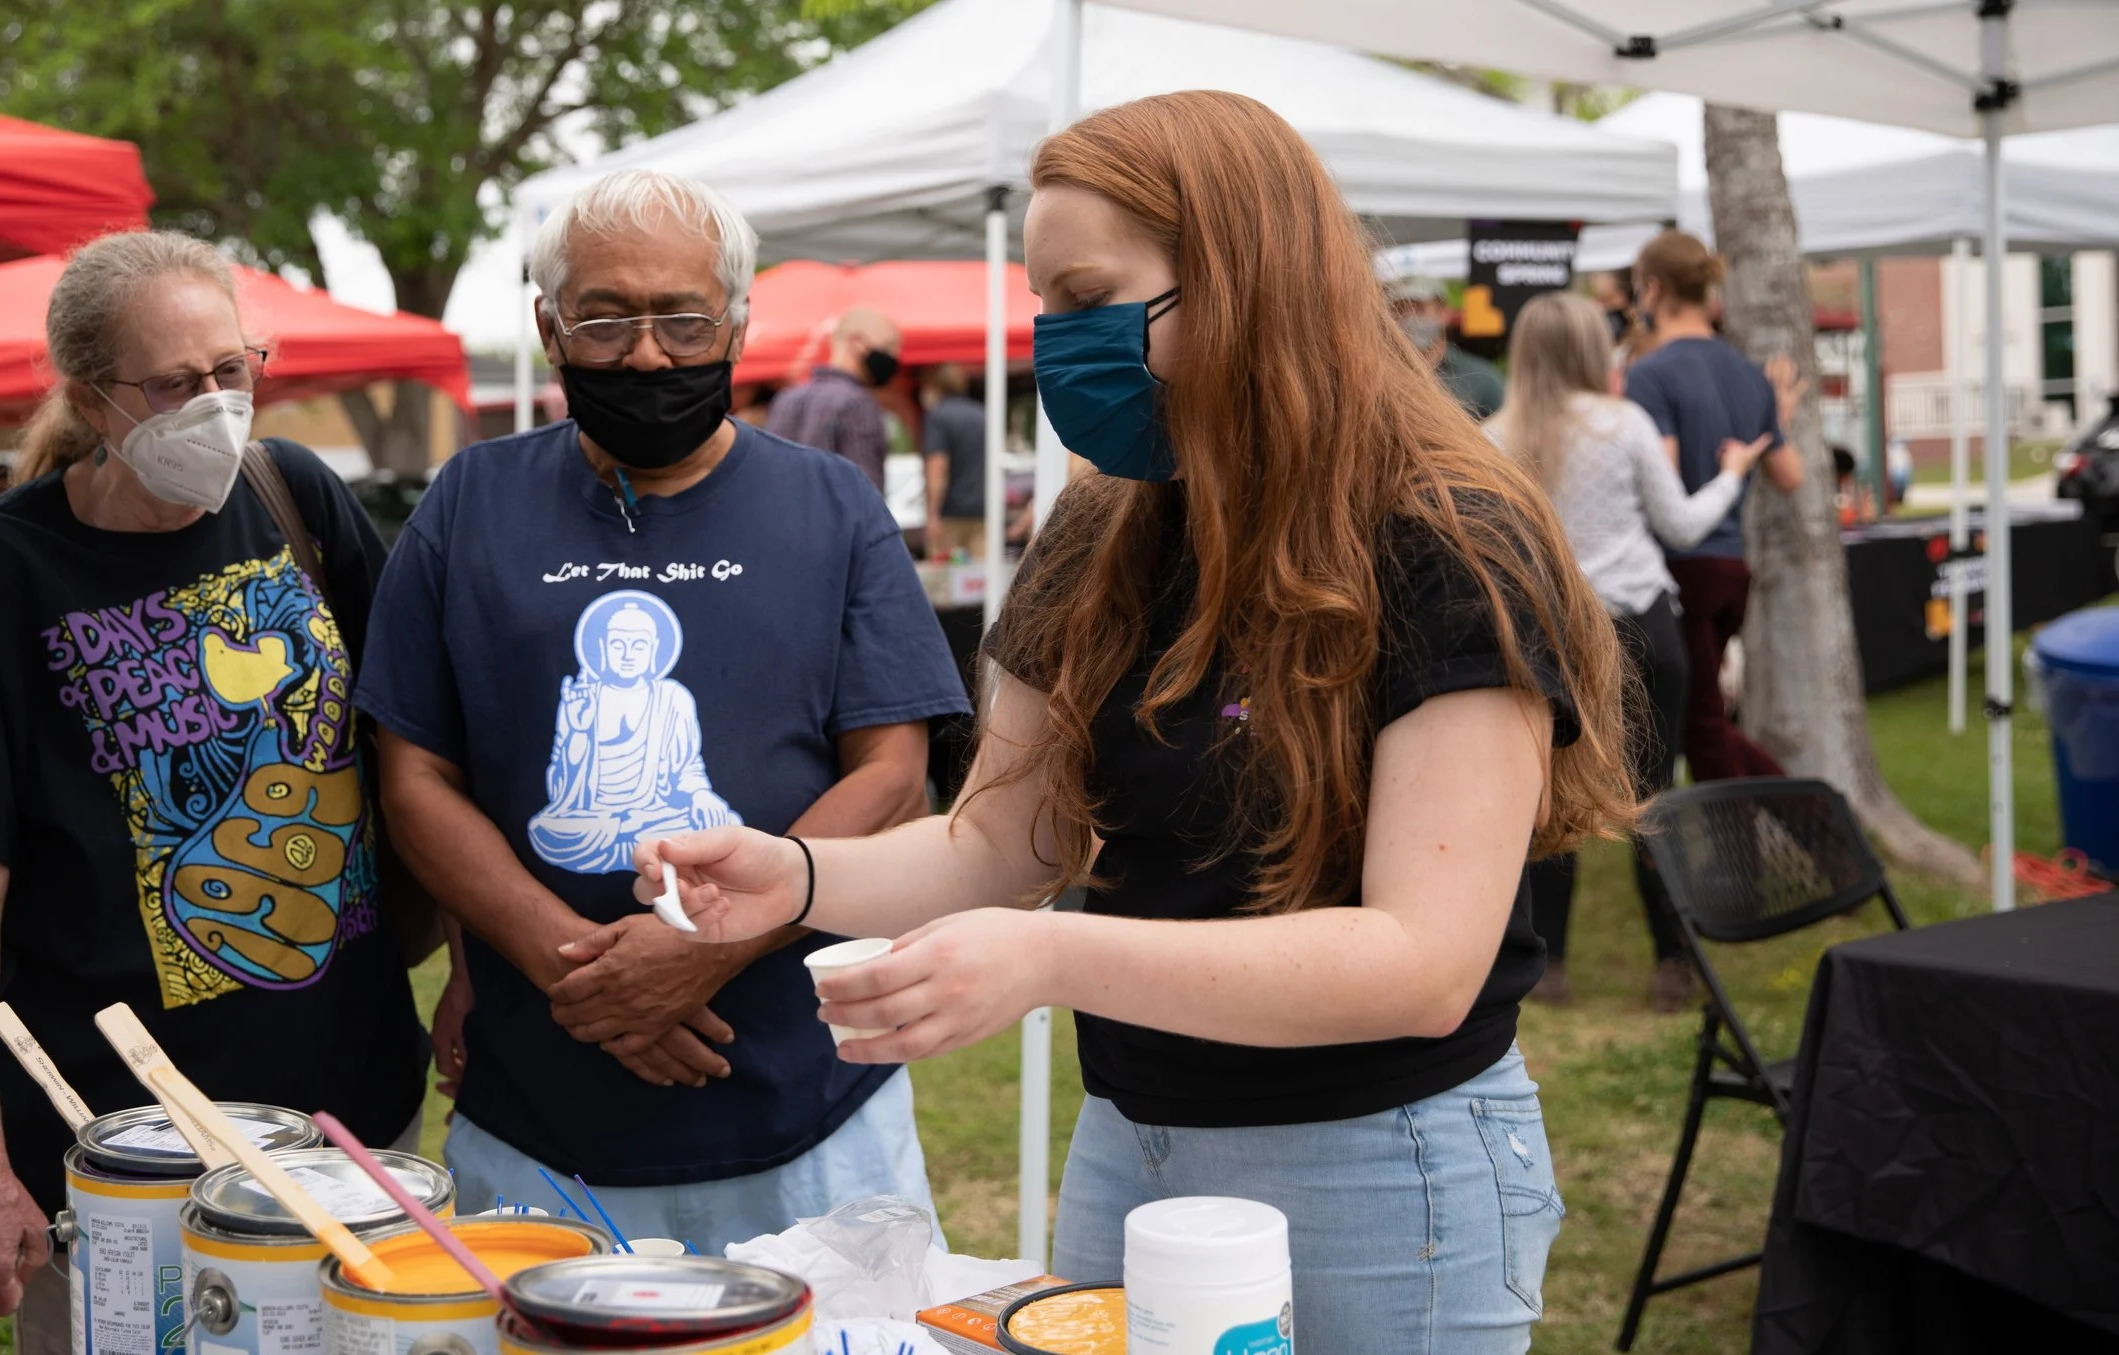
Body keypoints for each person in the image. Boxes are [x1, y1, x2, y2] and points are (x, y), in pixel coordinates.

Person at [630, 93, 1636, 1354]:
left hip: (1382, 1169)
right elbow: (1002, 841)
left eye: (1087, 296)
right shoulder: (1104, 528)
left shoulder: (1446, 541)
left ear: (1244, 279)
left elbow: (1422, 962)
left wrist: (1052, 960)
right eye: (1044, 305)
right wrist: (797, 873)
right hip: (1135, 1145)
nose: (1057, 341)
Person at [355, 169, 971, 1251]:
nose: (647, 355)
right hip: (541, 1108)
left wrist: (703, 945)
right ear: (549, 327)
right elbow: (414, 773)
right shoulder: (468, 504)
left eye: (684, 319)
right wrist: (576, 964)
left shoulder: (832, 504)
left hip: (807, 1098)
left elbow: (890, 768)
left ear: (736, 320)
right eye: (605, 318)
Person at [0, 231, 427, 1353]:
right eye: (174, 382)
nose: (216, 404)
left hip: (350, 1107)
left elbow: (413, 752)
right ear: (91, 396)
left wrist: (461, 977)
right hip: (114, 1144)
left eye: (235, 368)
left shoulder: (297, 495)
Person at [1487, 292, 1767, 1011]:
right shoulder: (1624, 424)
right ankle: (1675, 963)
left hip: (1551, 632)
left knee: (1544, 802)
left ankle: (1545, 966)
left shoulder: (1494, 437)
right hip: (1643, 628)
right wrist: (1733, 473)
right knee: (1653, 795)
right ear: (1590, 349)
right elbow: (1681, 525)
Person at [1622, 231, 1805, 783]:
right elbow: (1788, 476)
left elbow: (1667, 487)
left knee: (1700, 725)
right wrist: (1775, 418)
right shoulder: (1748, 374)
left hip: (1684, 572)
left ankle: (1786, 826)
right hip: (1732, 571)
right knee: (1697, 718)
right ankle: (1771, 826)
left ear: (1652, 289)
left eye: (1637, 289)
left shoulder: (1650, 375)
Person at [766, 306, 903, 484]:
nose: (894, 357)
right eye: (888, 348)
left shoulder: (785, 399)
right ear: (856, 342)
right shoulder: (857, 403)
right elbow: (865, 490)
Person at [1389, 277, 1506, 418]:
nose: (1408, 318)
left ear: (1443, 313)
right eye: (1399, 309)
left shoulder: (1482, 378)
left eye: (1418, 308)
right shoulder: (1382, 374)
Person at [919, 363, 987, 562]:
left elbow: (937, 467)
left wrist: (932, 514)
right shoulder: (982, 414)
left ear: (935, 386)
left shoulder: (938, 417)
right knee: (980, 581)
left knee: (946, 584)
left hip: (950, 515)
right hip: (983, 510)